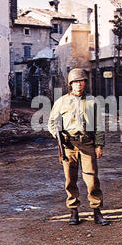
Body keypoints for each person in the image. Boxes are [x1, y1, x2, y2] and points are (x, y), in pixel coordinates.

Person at [48, 68, 110, 226]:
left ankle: (97, 211)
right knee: (70, 179)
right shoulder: (61, 102)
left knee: (92, 179)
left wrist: (99, 145)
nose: (79, 85)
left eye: (81, 81)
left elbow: (99, 125)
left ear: (85, 83)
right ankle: (73, 212)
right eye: (75, 82)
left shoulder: (93, 101)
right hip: (68, 145)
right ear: (70, 84)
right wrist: (59, 136)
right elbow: (52, 123)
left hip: (87, 143)